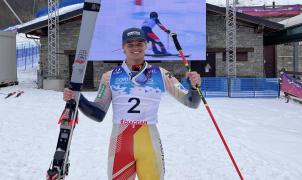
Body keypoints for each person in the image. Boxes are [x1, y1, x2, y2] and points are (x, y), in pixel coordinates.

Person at [63, 27, 201, 180]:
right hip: (120, 144)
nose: (135, 48)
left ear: (146, 45)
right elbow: (98, 113)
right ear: (123, 47)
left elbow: (191, 103)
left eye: (139, 43)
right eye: (130, 44)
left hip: (149, 142)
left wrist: (195, 87)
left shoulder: (161, 74)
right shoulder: (109, 76)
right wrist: (78, 98)